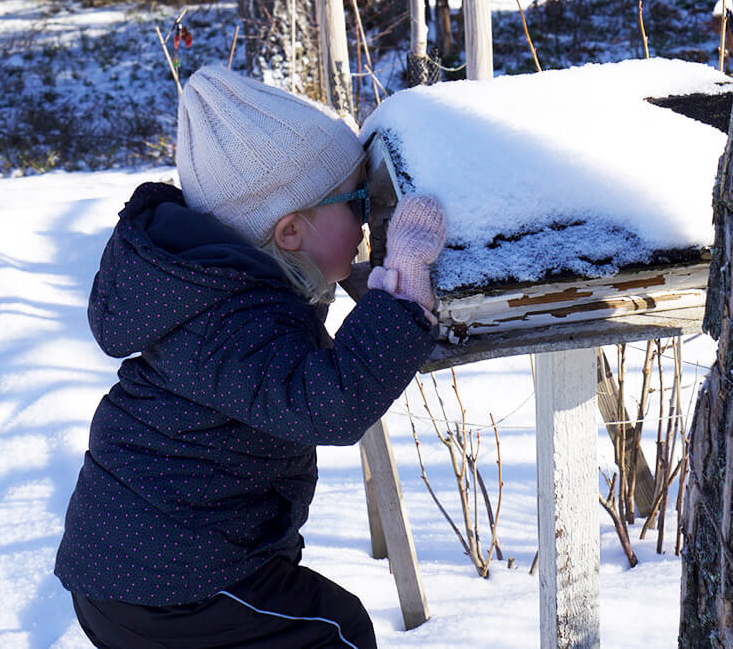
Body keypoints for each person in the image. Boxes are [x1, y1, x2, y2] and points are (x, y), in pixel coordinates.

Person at [54, 63, 446, 649]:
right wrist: (404, 298)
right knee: (333, 631)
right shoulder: (230, 318)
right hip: (172, 586)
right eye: (358, 203)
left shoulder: (214, 294)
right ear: (289, 231)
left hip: (144, 574)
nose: (368, 222)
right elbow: (328, 404)